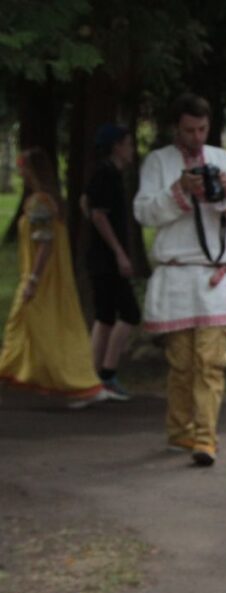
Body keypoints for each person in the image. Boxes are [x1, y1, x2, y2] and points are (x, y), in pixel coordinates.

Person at [133, 93, 226, 466]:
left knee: (211, 361)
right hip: (176, 274)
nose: (197, 136)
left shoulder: (224, 159)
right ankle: (180, 430)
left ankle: (205, 437)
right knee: (182, 362)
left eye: (202, 129)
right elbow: (143, 213)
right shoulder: (159, 162)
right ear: (176, 128)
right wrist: (180, 191)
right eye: (189, 130)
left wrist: (225, 193)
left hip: (214, 275)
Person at [0, 148, 106, 406]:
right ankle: (13, 375)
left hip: (42, 279)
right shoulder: (50, 201)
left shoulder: (40, 203)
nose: (21, 173)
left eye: (23, 168)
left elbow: (45, 244)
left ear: (31, 171)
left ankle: (76, 381)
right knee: (27, 329)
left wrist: (33, 280)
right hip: (48, 280)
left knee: (23, 327)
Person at [85, 124, 138, 400]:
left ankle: (94, 378)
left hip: (104, 257)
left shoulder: (111, 174)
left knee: (105, 316)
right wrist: (119, 252)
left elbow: (86, 202)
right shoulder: (105, 174)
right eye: (128, 144)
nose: (132, 150)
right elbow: (98, 214)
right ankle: (104, 374)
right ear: (117, 146)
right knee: (128, 313)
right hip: (106, 259)